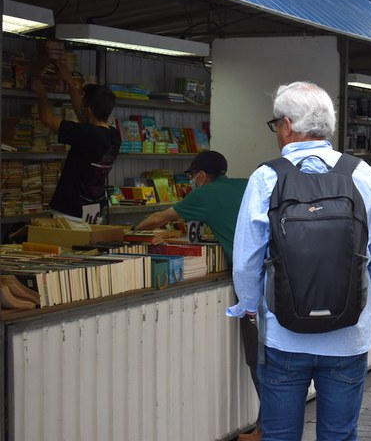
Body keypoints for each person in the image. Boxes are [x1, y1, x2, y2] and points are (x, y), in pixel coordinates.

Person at [228, 81, 371, 440]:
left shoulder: (266, 177)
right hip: (348, 335)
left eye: (276, 124)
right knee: (339, 434)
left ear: (288, 125)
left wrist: (248, 306)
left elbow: (246, 259)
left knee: (279, 435)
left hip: (283, 336)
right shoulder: (363, 174)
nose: (277, 132)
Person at [133, 151, 261, 440]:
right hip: (274, 274)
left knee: (256, 356)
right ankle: (268, 426)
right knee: (271, 354)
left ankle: (268, 430)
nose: (192, 181)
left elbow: (161, 217)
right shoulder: (245, 184)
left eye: (192, 176)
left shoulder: (205, 193)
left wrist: (130, 234)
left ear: (202, 175)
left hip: (250, 281)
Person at [31, 60, 120, 223]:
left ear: (89, 110)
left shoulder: (86, 133)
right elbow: (83, 114)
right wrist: (70, 83)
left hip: (70, 211)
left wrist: (41, 93)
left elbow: (47, 119)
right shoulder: (114, 135)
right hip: (94, 209)